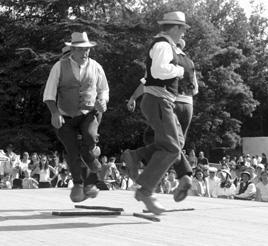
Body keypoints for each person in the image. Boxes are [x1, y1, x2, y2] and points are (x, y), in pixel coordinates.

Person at [120, 11, 192, 214]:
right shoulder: (163, 45)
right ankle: (145, 190)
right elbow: (159, 72)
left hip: (160, 100)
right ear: (176, 28)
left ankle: (136, 156)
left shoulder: (163, 45)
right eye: (182, 29)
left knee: (172, 144)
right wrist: (179, 71)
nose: (183, 34)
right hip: (159, 100)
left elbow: (149, 77)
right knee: (172, 148)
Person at [43, 32, 109, 202]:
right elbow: (49, 93)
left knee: (89, 136)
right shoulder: (59, 66)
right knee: (72, 151)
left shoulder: (96, 67)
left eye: (87, 49)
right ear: (72, 49)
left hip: (89, 113)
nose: (84, 52)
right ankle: (80, 184)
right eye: (80, 49)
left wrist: (103, 101)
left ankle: (92, 153)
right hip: (65, 116)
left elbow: (104, 89)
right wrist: (55, 113)